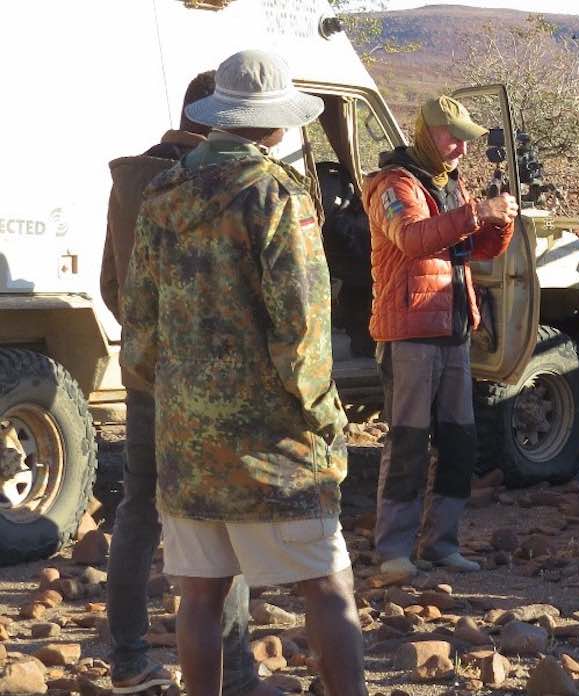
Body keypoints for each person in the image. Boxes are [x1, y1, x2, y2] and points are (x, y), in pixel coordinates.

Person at [121, 49, 368, 696]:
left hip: (186, 441)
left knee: (199, 597)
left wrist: (180, 395)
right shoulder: (277, 196)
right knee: (326, 586)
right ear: (278, 123)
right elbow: (304, 330)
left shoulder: (161, 194)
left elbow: (139, 328)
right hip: (273, 441)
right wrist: (323, 420)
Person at [102, 71, 271, 696]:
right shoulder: (218, 181)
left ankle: (127, 660)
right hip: (215, 386)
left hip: (147, 377)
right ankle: (239, 674)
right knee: (220, 519)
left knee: (138, 510)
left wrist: (151, 344)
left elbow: (113, 286)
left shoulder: (133, 181)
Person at [365, 95, 515, 577]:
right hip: (409, 329)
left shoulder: (449, 187)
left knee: (459, 440)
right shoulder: (395, 184)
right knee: (408, 440)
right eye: (453, 139)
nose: (461, 151)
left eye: (465, 141)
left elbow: (473, 251)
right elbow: (412, 238)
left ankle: (441, 544)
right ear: (427, 133)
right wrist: (476, 213)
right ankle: (392, 551)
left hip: (452, 325)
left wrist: (500, 223)